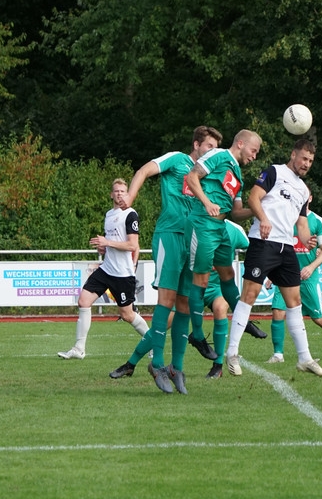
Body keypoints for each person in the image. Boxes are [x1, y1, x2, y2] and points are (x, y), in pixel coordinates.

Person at [121, 126, 224, 391]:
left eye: (215, 148)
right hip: (170, 235)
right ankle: (157, 364)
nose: (212, 152)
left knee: (184, 304)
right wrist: (130, 196)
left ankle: (176, 367)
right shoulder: (177, 159)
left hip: (193, 239)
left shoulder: (208, 174)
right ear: (196, 144)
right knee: (166, 300)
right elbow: (144, 170)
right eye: (209, 146)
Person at [225, 138, 322, 377]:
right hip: (263, 242)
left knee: (294, 302)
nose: (306, 164)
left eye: (310, 161)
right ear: (293, 155)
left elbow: (301, 225)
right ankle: (232, 353)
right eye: (304, 158)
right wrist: (263, 219)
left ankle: (304, 358)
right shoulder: (275, 171)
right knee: (249, 295)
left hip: (286, 247)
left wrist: (307, 240)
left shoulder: (303, 190)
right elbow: (253, 198)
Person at [109, 219, 249, 392]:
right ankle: (131, 363)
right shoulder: (193, 221)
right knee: (166, 321)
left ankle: (218, 365)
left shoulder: (233, 229)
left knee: (220, 308)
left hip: (215, 287)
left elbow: (254, 246)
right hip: (193, 285)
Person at [182, 130, 261, 386]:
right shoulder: (217, 155)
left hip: (221, 227)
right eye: (253, 151)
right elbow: (192, 176)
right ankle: (196, 335)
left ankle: (242, 319)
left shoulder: (238, 175)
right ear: (241, 143)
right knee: (202, 281)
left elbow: (236, 213)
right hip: (203, 224)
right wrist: (206, 202)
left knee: (228, 275)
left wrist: (259, 210)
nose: (254, 156)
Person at [57, 179, 149, 359]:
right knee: (83, 301)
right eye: (116, 191)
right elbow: (114, 243)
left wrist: (107, 242)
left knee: (127, 315)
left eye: (123, 191)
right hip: (106, 269)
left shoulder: (130, 214)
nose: (119, 194)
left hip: (122, 274)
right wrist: (104, 248)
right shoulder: (109, 214)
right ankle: (79, 349)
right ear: (111, 194)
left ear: (127, 194)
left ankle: (152, 342)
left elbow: (132, 245)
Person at [263, 193, 322, 365]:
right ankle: (278, 354)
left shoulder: (317, 221)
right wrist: (272, 273)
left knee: (318, 318)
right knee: (278, 311)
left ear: (310, 198)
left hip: (308, 278)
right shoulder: (285, 218)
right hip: (285, 275)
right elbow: (277, 248)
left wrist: (311, 267)